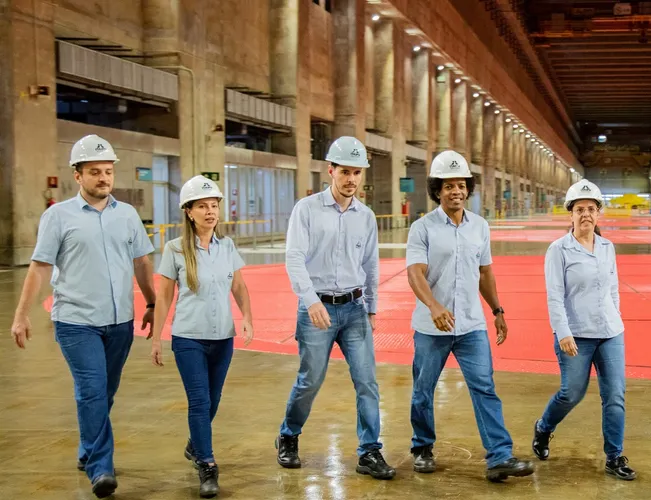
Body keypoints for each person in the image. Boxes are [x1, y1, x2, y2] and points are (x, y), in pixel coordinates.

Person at [9, 134, 157, 498]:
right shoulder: (58, 216)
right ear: (78, 175)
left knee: (104, 391)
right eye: (95, 172)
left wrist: (152, 303)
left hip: (119, 321)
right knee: (92, 389)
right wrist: (21, 314)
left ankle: (87, 447)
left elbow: (142, 261)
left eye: (107, 171)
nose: (103, 178)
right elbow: (40, 267)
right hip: (76, 321)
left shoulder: (127, 215)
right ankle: (100, 467)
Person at [405, 150, 534, 482]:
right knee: (423, 389)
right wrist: (433, 306)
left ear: (468, 188)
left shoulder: (479, 227)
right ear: (437, 190)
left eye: (461, 185)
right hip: (432, 328)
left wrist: (498, 310)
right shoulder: (423, 228)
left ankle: (499, 457)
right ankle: (422, 447)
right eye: (448, 186)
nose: (456, 192)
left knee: (485, 387)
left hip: (471, 326)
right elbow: (415, 273)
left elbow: (485, 273)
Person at [275, 136, 394, 480]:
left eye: (357, 173)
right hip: (318, 311)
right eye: (345, 171)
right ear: (330, 171)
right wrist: (310, 300)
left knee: (367, 382)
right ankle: (289, 434)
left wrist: (371, 307)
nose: (351, 180)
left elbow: (371, 264)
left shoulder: (366, 216)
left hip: (355, 309)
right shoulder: (307, 210)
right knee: (310, 381)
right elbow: (294, 257)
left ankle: (369, 451)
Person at [149, 175, 254, 498]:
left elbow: (238, 286)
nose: (210, 212)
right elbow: (164, 296)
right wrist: (156, 337)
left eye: (214, 206)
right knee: (200, 400)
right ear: (189, 212)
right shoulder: (175, 249)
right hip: (188, 338)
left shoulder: (227, 246)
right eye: (202, 206)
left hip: (223, 337)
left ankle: (195, 444)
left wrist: (247, 317)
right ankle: (207, 465)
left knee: (214, 399)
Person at [531, 179, 635, 481]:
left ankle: (614, 456)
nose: (586, 214)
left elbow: (613, 287)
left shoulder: (607, 247)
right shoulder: (558, 250)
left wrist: (616, 314)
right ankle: (544, 428)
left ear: (599, 214)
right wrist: (562, 332)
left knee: (615, 395)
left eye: (591, 209)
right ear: (571, 215)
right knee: (571, 393)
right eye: (580, 209)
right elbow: (554, 295)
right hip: (575, 335)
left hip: (611, 332)